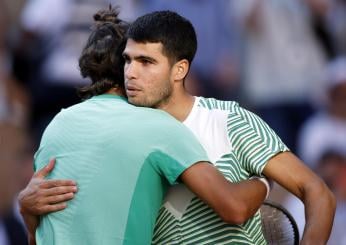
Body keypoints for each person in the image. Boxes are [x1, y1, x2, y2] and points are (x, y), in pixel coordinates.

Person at [20, 9, 335, 245]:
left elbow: (318, 193)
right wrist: (28, 209)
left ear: (180, 69)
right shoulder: (116, 131)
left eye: (146, 62)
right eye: (128, 60)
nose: (131, 73)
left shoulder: (228, 120)